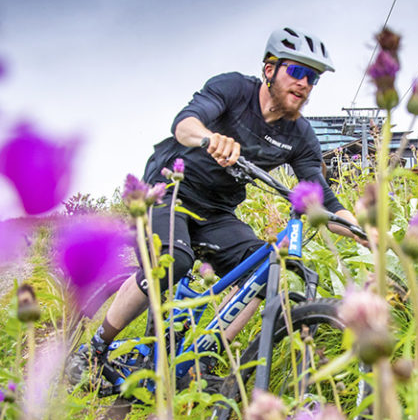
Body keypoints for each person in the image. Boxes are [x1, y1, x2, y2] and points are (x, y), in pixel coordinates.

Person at [67, 26, 363, 386]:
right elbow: (185, 124)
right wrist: (210, 138)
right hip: (170, 191)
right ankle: (95, 350)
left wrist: (363, 232)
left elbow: (323, 200)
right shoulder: (234, 89)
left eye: (313, 78)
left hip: (217, 212)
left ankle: (201, 358)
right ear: (269, 70)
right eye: (297, 71)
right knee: (172, 261)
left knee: (266, 271)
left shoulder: (300, 135)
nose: (304, 83)